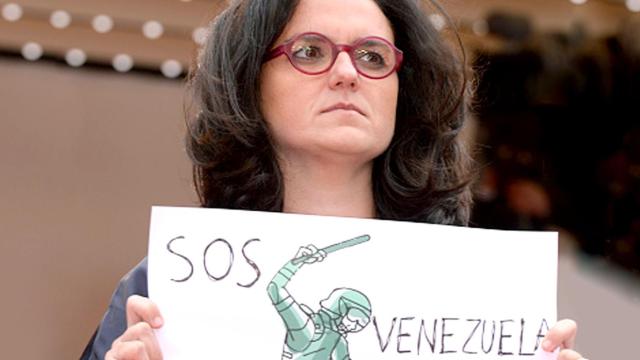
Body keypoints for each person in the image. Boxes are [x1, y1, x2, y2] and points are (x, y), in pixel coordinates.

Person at [81, 0, 587, 359]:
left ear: (401, 90)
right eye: (310, 51)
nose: (347, 72)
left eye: (372, 56)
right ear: (249, 82)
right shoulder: (163, 289)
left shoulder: (478, 294)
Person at [267, 245, 372, 359]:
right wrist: (296, 263)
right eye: (355, 320)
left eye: (361, 325)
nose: (354, 327)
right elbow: (275, 288)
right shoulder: (307, 328)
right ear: (341, 309)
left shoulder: (338, 341)